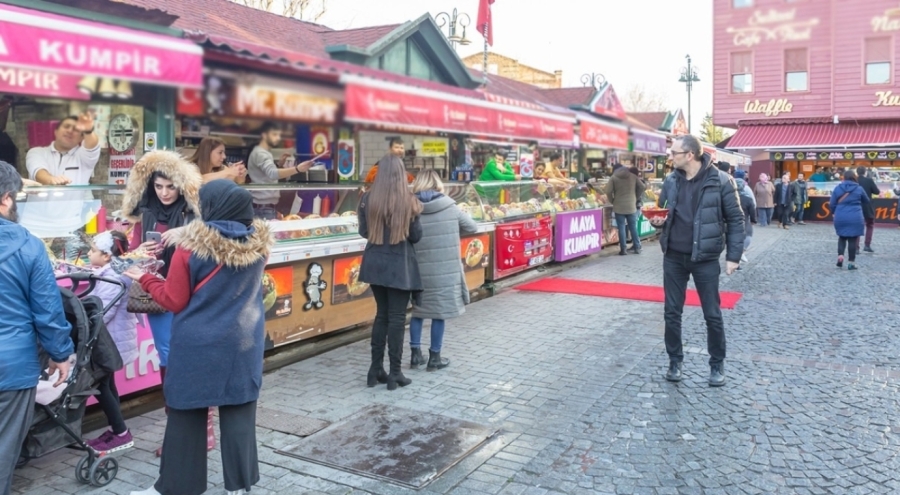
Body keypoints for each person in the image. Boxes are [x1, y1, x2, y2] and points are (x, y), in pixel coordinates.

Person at [125, 180, 273, 495]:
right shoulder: (261, 248)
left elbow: (173, 300)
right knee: (239, 412)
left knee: (185, 412)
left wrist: (147, 278)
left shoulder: (190, 249)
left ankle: (176, 487)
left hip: (197, 345)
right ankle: (240, 486)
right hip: (244, 342)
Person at [121, 150, 212, 456]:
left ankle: (201, 431)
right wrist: (140, 251)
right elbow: (133, 252)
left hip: (193, 292)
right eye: (159, 186)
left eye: (170, 186)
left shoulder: (194, 212)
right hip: (158, 292)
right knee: (168, 358)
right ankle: (181, 432)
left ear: (181, 186)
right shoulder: (146, 210)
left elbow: (213, 245)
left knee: (190, 359)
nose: (165, 192)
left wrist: (185, 234)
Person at [0, 161, 73, 493]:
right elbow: (48, 309)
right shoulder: (28, 245)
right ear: (6, 199)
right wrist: (61, 353)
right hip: (11, 366)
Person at [649, 135, 744, 387]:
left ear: (689, 155)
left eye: (674, 153)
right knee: (672, 312)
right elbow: (662, 212)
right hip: (673, 255)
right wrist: (656, 222)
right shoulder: (670, 181)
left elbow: (736, 219)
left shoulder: (722, 180)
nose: (669, 157)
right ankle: (675, 361)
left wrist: (733, 256)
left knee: (711, 313)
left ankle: (716, 365)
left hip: (705, 258)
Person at [358, 155, 423, 390]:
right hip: (400, 266)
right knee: (396, 318)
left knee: (381, 316)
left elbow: (364, 231)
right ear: (400, 174)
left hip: (374, 263)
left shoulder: (367, 199)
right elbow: (416, 236)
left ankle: (375, 369)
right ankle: (395, 373)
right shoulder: (409, 201)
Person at [408, 170, 478, 371]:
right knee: (439, 313)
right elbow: (472, 227)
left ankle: (415, 356)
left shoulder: (410, 208)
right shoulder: (451, 208)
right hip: (444, 270)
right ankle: (434, 358)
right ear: (438, 185)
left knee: (418, 312)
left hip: (417, 270)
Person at [84, 230, 138, 453]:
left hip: (109, 342)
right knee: (108, 384)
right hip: (113, 340)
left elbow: (102, 313)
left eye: (93, 250)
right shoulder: (113, 272)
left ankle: (121, 432)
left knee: (102, 385)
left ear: (106, 256)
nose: (88, 253)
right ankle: (118, 430)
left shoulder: (111, 278)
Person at [246, 122, 317, 220]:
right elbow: (272, 173)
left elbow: (265, 174)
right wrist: (297, 169)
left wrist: (278, 165)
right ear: (264, 135)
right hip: (263, 209)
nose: (278, 138)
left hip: (264, 208)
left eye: (279, 135)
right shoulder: (261, 153)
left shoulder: (261, 152)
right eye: (274, 134)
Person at [25, 112, 99, 186]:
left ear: (82, 138)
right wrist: (51, 180)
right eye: (66, 126)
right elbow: (38, 172)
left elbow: (92, 145)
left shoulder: (83, 157)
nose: (70, 131)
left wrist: (88, 131)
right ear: (56, 132)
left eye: (76, 129)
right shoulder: (36, 152)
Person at [830, 170, 869, 270]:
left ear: (844, 177)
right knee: (853, 239)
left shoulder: (838, 188)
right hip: (855, 216)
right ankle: (851, 263)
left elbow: (832, 203)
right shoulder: (859, 188)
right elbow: (867, 200)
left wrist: (834, 212)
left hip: (840, 215)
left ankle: (840, 256)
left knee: (842, 237)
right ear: (854, 177)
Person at [606, 164, 646, 255]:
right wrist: (636, 196)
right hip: (631, 205)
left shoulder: (613, 177)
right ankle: (637, 247)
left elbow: (608, 191)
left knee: (621, 227)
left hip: (619, 206)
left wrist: (612, 200)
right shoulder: (633, 176)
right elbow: (642, 187)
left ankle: (623, 249)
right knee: (633, 226)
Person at [733, 173, 757, 268]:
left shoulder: (730, 197)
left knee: (734, 241)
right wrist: (754, 221)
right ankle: (741, 253)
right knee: (748, 236)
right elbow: (752, 211)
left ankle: (735, 258)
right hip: (745, 221)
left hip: (732, 221)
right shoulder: (748, 199)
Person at [856, 166, 880, 253]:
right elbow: (877, 192)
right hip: (867, 206)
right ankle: (867, 245)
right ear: (865, 172)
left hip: (856, 206)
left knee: (857, 226)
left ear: (857, 172)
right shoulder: (869, 180)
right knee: (870, 225)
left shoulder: (854, 181)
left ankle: (856, 247)